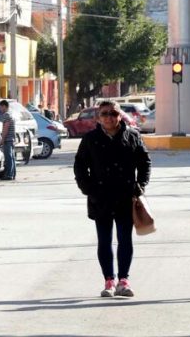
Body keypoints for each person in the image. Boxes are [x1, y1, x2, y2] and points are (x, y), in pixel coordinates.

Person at [73, 99, 151, 299]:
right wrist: (88, 188)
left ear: (120, 116)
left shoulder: (132, 136)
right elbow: (80, 166)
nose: (109, 117)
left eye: (113, 113)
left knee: (125, 239)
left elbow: (144, 162)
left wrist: (140, 185)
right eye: (105, 114)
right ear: (98, 118)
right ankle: (109, 280)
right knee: (104, 240)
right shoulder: (91, 139)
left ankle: (123, 280)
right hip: (101, 198)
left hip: (125, 197)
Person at [0, 99, 17, 181]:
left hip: (8, 139)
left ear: (4, 106)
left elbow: (6, 127)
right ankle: (13, 174)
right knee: (12, 157)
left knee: (8, 158)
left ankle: (9, 175)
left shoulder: (6, 115)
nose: (0, 109)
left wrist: (3, 139)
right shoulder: (11, 114)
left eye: (0, 107)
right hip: (12, 139)